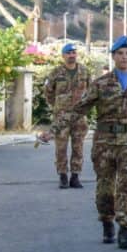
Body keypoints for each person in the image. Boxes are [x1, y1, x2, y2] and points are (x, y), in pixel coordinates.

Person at [40, 36, 127, 249]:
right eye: (120, 53)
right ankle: (107, 222)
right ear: (113, 57)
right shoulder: (100, 84)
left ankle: (125, 230)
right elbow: (78, 109)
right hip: (105, 144)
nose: (124, 57)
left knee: (126, 186)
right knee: (105, 188)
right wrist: (53, 130)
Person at [44, 43, 90, 189]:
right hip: (61, 117)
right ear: (63, 55)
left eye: (74, 52)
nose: (72, 55)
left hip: (79, 117)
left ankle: (75, 177)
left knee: (78, 147)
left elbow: (90, 91)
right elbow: (48, 92)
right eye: (68, 53)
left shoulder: (84, 71)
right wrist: (58, 106)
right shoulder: (56, 73)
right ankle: (63, 176)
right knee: (61, 147)